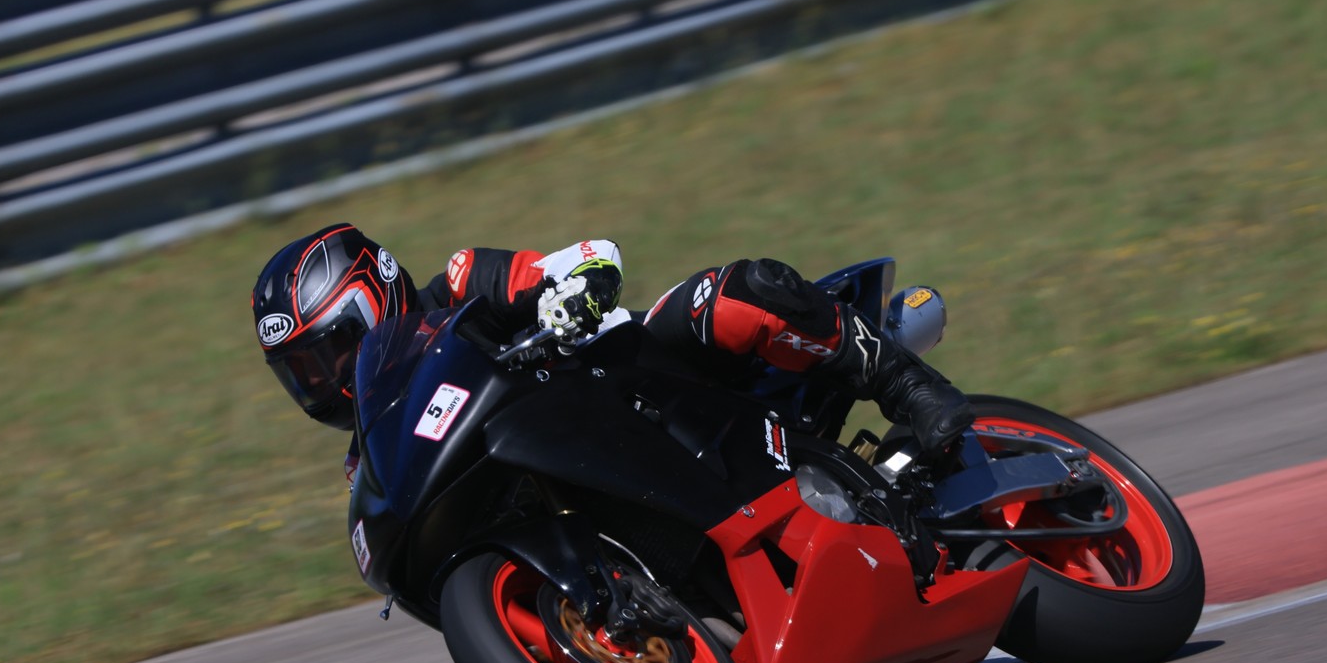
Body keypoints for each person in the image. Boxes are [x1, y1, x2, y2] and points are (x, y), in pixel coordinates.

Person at [251, 224, 972, 475]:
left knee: (736, 293)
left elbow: (588, 255)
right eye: (301, 375)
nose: (324, 382)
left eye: (330, 353)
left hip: (648, 376)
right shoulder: (375, 458)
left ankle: (909, 385)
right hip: (601, 468)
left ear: (374, 297)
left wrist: (573, 293)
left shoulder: (462, 286)